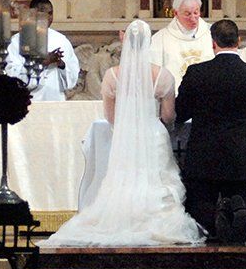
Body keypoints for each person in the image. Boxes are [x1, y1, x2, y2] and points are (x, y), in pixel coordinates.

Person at [46, 19, 202, 246]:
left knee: (125, 180)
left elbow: (111, 117)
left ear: (125, 41)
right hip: (153, 134)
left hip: (125, 135)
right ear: (148, 42)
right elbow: (169, 115)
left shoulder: (112, 75)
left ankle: (122, 217)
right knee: (156, 180)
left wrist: (128, 126)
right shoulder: (162, 76)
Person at [175, 19, 246, 243]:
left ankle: (215, 221)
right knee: (240, 194)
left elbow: (181, 112)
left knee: (199, 202)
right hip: (239, 151)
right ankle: (239, 215)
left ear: (212, 43)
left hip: (203, 152)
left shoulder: (197, 73)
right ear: (238, 41)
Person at [148, 0, 246, 89]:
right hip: (176, 103)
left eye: (196, 12)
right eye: (187, 14)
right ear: (175, 13)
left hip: (212, 100)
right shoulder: (160, 39)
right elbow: (154, 75)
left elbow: (230, 59)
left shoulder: (213, 32)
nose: (193, 18)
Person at [4, 0, 79, 101]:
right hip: (28, 102)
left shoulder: (61, 40)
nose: (48, 17)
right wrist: (43, 62)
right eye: (43, 13)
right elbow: (12, 75)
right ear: (32, 13)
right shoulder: (16, 42)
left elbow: (72, 77)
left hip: (55, 101)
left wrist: (61, 64)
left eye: (51, 13)